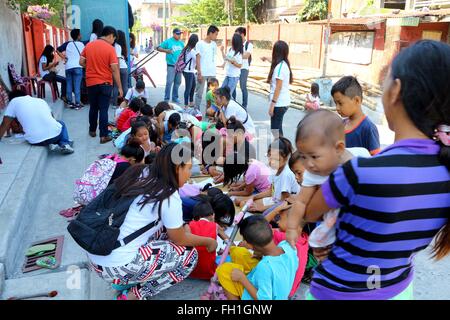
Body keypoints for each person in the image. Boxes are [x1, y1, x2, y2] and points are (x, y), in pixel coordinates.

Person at [286, 40, 450, 300]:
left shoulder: (358, 173)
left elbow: (307, 211)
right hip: (398, 289)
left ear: (395, 90)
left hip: (341, 293)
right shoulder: (444, 170)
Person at [87, 143, 218, 300]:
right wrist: (209, 242)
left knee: (164, 231)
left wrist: (182, 228)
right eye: (188, 169)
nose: (189, 174)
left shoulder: (141, 172)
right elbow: (179, 238)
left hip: (97, 254)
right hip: (116, 267)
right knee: (189, 256)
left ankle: (128, 279)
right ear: (177, 168)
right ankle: (132, 295)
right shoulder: (168, 194)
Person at [287, 110, 370, 260]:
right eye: (303, 157)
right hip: (331, 223)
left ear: (338, 148)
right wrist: (293, 227)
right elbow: (301, 201)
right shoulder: (314, 173)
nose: (308, 164)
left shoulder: (358, 160)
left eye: (314, 156)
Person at [216, 215, 298, 300]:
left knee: (224, 270)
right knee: (239, 252)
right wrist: (261, 255)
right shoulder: (288, 246)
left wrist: (242, 279)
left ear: (250, 245)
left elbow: (264, 299)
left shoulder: (264, 267)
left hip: (258, 295)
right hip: (272, 285)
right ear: (272, 231)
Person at [80, 26, 123, 144]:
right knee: (103, 109)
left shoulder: (89, 45)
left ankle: (92, 130)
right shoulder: (110, 49)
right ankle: (103, 135)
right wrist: (119, 87)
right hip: (105, 83)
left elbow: (81, 62)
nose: (113, 41)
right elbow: (114, 69)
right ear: (110, 35)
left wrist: (91, 66)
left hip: (91, 82)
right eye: (113, 39)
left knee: (93, 107)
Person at [0, 90, 73, 154]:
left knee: (52, 130)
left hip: (35, 141)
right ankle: (64, 143)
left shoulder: (13, 102)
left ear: (11, 99)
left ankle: (62, 141)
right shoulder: (41, 100)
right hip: (54, 136)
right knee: (61, 124)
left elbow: (5, 123)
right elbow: (52, 119)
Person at [332, 76, 381, 155]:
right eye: (336, 103)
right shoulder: (341, 125)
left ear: (357, 100)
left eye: (340, 103)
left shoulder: (368, 128)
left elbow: (375, 159)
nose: (337, 108)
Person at [249, 137, 299, 212]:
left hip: (285, 207)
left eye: (276, 159)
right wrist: (254, 197)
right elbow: (270, 191)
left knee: (254, 210)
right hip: (275, 200)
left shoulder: (286, 174)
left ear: (285, 158)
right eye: (270, 157)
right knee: (245, 204)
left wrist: (261, 208)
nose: (272, 162)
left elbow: (283, 203)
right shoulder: (275, 169)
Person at [185, 199, 229, 280]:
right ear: (213, 215)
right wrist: (224, 251)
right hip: (209, 272)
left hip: (191, 272)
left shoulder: (189, 225)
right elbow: (230, 243)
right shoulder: (215, 226)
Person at [261, 41, 293, 138]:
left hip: (279, 103)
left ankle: (281, 150)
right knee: (277, 129)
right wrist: (266, 58)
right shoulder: (282, 63)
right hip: (282, 102)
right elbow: (273, 60)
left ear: (276, 51)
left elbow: (278, 87)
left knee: (275, 130)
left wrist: (272, 105)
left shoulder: (280, 67)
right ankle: (283, 150)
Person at [56, 29, 85, 110]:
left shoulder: (68, 44)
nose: (81, 36)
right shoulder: (82, 44)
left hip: (68, 67)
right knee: (77, 85)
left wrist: (64, 58)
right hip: (78, 67)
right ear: (78, 36)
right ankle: (77, 103)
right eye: (80, 34)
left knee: (69, 84)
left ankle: (69, 102)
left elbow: (57, 49)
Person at [194, 25, 219, 111]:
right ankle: (197, 112)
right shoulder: (200, 44)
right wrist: (199, 73)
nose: (216, 36)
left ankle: (209, 113)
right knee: (199, 94)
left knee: (210, 95)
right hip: (203, 72)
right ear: (210, 33)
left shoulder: (214, 44)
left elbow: (213, 58)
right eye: (216, 34)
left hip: (212, 73)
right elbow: (198, 59)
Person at [157, 28, 185, 103]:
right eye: (178, 34)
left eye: (180, 34)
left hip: (179, 67)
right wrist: (166, 50)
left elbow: (184, 53)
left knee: (177, 82)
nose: (179, 35)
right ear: (174, 34)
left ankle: (175, 97)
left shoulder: (181, 43)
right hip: (171, 65)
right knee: (169, 82)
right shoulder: (168, 41)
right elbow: (158, 48)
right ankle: (166, 98)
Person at [232, 27, 253, 109]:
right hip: (235, 67)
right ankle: (233, 103)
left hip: (244, 68)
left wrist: (237, 55)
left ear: (242, 34)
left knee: (243, 86)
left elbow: (246, 56)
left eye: (237, 34)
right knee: (233, 86)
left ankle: (244, 105)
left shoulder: (249, 45)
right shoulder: (236, 44)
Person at [112, 30, 130, 108]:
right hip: (124, 68)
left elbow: (117, 59)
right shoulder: (123, 46)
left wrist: (117, 70)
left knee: (115, 86)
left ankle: (114, 104)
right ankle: (127, 103)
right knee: (125, 86)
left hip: (118, 68)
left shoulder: (116, 46)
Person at [181, 34, 199, 109]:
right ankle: (186, 105)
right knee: (188, 88)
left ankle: (191, 102)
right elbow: (197, 60)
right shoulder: (192, 51)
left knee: (193, 86)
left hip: (188, 71)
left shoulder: (186, 49)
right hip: (188, 71)